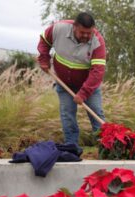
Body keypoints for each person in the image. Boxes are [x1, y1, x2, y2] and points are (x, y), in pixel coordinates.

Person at [37, 12, 106, 147]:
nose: (86, 36)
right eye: (82, 32)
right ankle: (71, 147)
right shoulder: (58, 29)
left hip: (88, 86)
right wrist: (44, 58)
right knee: (67, 115)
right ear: (74, 27)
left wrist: (83, 93)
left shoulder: (98, 42)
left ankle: (105, 146)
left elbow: (97, 72)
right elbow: (44, 41)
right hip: (64, 83)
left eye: (89, 33)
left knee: (96, 113)